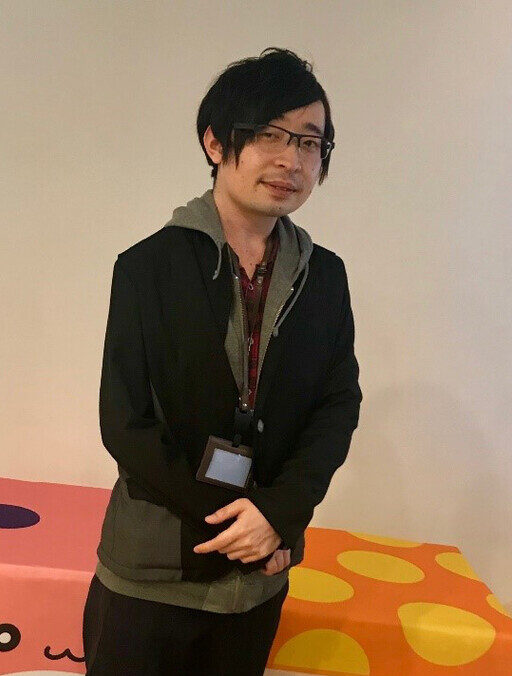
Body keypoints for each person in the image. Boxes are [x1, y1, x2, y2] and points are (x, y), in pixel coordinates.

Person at [83, 47, 362, 676]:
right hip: (153, 569)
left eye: (310, 142)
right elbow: (125, 422)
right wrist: (235, 524)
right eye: (269, 135)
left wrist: (279, 515)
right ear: (215, 142)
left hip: (260, 576)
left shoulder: (325, 276)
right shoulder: (148, 267)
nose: (291, 159)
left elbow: (337, 405)